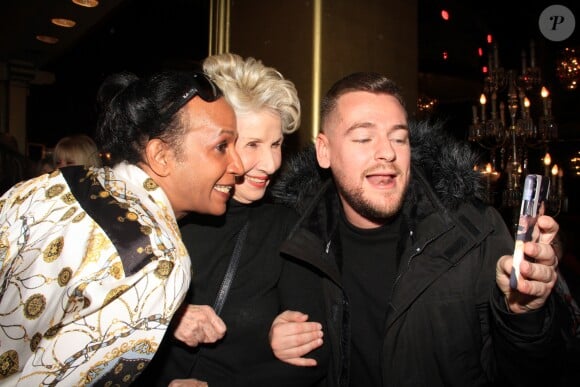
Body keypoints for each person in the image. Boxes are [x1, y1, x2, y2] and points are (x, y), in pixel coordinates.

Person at [268, 72, 565, 386]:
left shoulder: (475, 232)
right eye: (363, 138)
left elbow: (533, 374)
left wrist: (524, 315)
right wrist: (270, 338)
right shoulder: (296, 241)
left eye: (399, 137)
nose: (388, 153)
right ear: (324, 152)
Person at [0, 70, 243, 385]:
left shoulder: (49, 185)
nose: (239, 166)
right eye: (222, 146)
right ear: (161, 156)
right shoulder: (158, 261)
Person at [137, 53, 328, 387]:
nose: (270, 163)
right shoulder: (158, 218)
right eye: (252, 144)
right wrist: (163, 321)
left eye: (277, 144)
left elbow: (315, 357)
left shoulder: (287, 226)